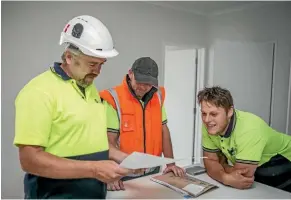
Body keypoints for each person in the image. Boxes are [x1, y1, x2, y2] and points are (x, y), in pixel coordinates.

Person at [13, 15, 134, 199]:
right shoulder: (38, 91)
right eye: (92, 64)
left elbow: (86, 141)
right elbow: (29, 160)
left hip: (93, 193)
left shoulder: (89, 88)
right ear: (69, 57)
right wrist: (94, 169)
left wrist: (123, 158)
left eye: (101, 64)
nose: (97, 71)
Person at [100, 57, 186, 191]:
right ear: (130, 73)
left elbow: (164, 130)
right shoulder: (113, 99)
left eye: (148, 84)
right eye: (139, 82)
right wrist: (111, 175)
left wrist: (170, 164)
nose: (143, 87)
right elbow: (107, 143)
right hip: (122, 175)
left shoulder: (157, 96)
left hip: (153, 171)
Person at [198, 86, 291, 192]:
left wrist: (221, 166)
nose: (207, 119)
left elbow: (243, 177)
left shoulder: (250, 128)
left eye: (214, 114)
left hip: (284, 162)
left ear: (229, 112)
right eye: (203, 113)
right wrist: (225, 178)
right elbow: (209, 161)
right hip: (261, 168)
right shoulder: (210, 125)